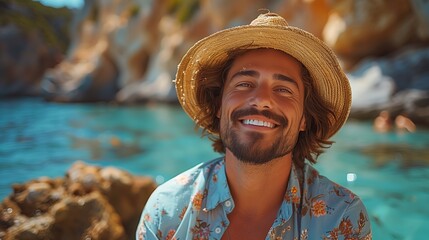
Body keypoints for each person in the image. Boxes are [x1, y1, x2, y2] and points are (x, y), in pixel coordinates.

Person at [136, 12, 372, 240]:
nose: (261, 99)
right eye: (245, 83)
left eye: (283, 90)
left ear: (304, 119)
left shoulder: (342, 219)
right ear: (219, 105)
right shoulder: (167, 211)